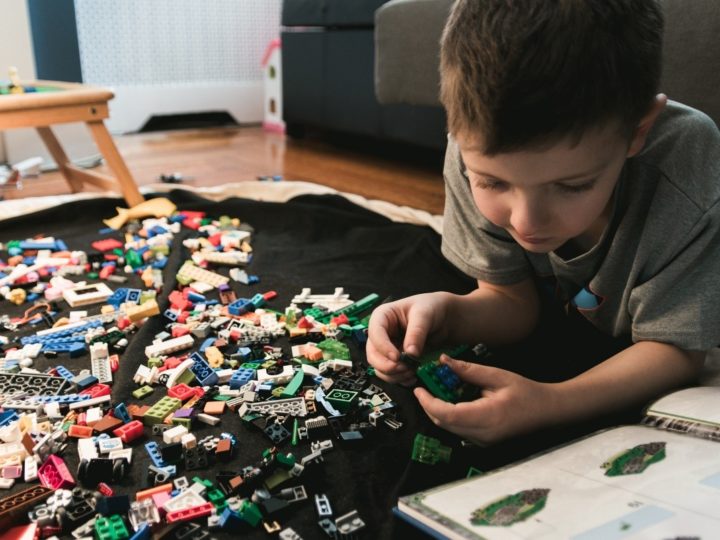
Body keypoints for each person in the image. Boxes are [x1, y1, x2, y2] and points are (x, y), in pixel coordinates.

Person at [367, 0, 720, 445]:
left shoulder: (687, 166)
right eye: (492, 182)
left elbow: (679, 350)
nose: (526, 221)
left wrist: (552, 402)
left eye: (571, 186)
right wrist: (446, 314)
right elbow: (511, 303)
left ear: (637, 132)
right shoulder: (471, 142)